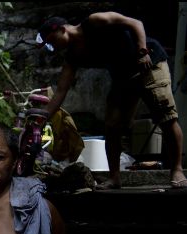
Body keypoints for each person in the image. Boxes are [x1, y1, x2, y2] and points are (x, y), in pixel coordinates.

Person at [36, 12, 187, 190]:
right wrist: (39, 120)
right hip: (123, 77)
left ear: (62, 29)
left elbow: (135, 21)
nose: (52, 47)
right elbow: (61, 91)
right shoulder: (73, 56)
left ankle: (177, 170)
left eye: (51, 41)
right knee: (112, 125)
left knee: (166, 116)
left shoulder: (94, 22)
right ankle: (115, 178)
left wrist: (142, 49)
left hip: (148, 62)